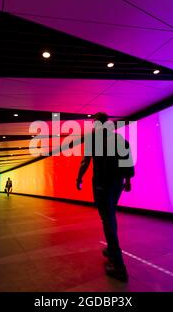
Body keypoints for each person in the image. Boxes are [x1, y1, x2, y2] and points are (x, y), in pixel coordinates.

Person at [76, 112, 134, 282]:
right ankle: (111, 249)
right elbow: (127, 158)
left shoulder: (93, 140)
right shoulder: (118, 139)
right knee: (110, 216)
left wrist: (79, 178)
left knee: (107, 219)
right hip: (117, 184)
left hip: (102, 185)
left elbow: (85, 161)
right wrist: (128, 180)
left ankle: (118, 266)